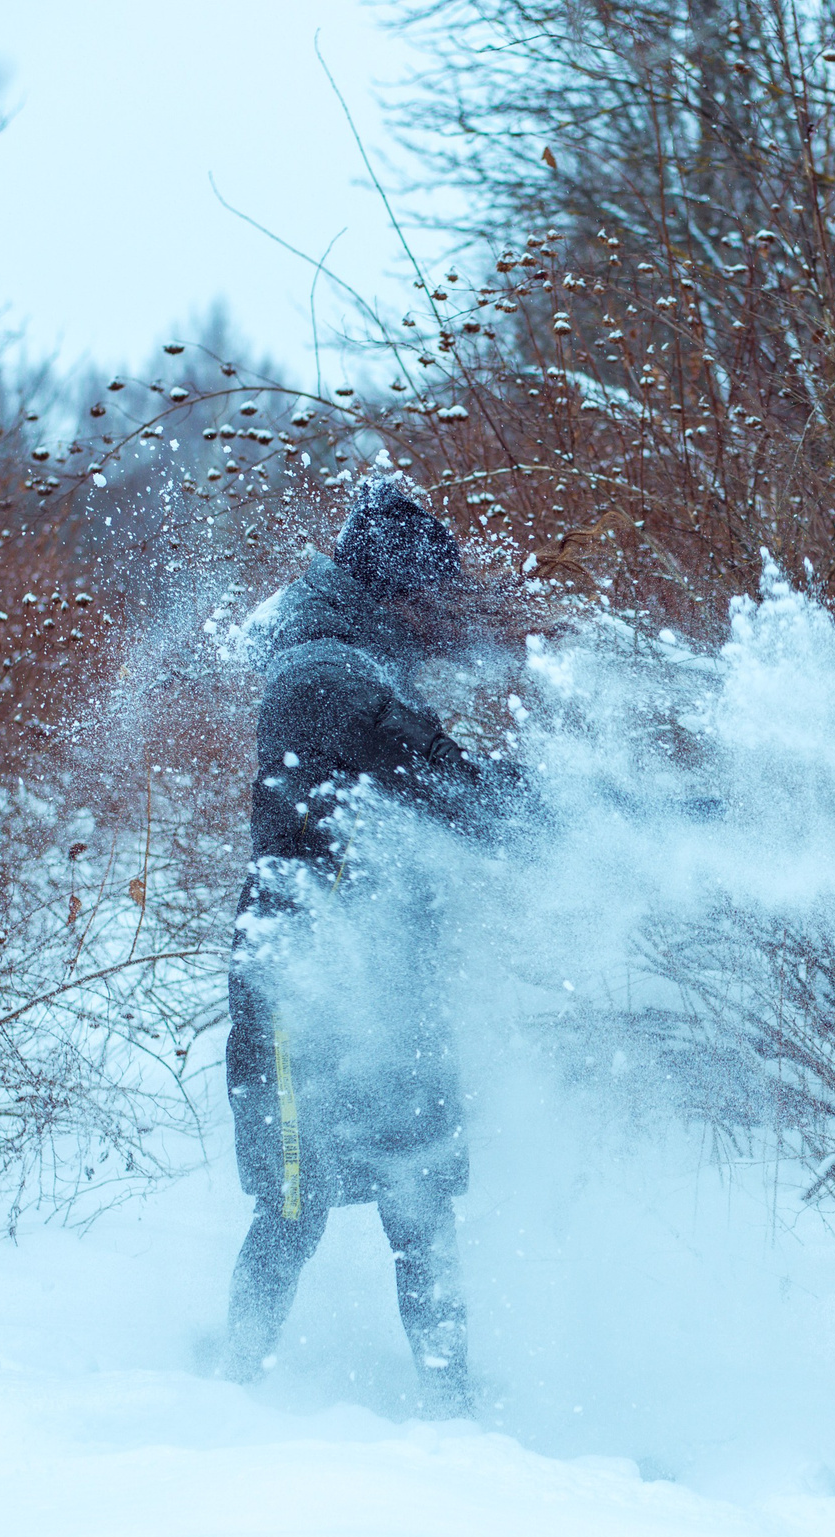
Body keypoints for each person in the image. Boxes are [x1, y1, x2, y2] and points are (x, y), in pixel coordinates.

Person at [219, 477, 517, 1414]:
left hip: (392, 984)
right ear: (396, 596)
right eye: (432, 602)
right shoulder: (332, 678)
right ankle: (228, 1390)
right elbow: (461, 793)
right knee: (295, 1205)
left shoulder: (349, 658)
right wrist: (596, 817)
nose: (444, 621)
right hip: (302, 988)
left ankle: (452, 1403)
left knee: (422, 1199)